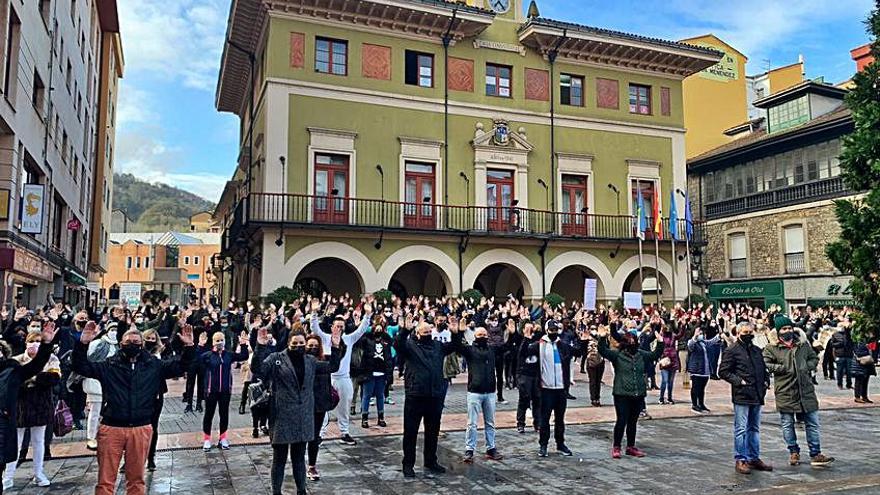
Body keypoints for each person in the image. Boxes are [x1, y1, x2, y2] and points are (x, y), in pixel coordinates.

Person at [74, 321, 194, 495]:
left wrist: (189, 346)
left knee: (137, 480)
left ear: (142, 345)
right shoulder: (110, 365)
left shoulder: (153, 365)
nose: (132, 346)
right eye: (128, 342)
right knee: (105, 481)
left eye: (136, 343)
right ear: (121, 344)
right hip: (112, 427)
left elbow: (181, 367)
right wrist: (83, 344)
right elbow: (81, 367)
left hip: (141, 427)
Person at [257, 328, 341, 495]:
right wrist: (260, 347)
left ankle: (301, 490)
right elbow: (259, 369)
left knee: (299, 458)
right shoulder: (277, 358)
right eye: (295, 343)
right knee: (279, 458)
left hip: (303, 416)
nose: (299, 346)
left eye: (301, 343)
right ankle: (276, 492)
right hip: (282, 416)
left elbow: (332, 366)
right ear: (289, 343)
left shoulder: (310, 360)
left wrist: (336, 347)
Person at [763, 315, 835, 467]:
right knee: (787, 424)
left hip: (806, 390)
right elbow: (767, 363)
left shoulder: (802, 344)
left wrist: (806, 366)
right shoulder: (771, 348)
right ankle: (793, 451)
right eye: (784, 328)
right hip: (785, 390)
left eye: (789, 328)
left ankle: (816, 453)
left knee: (813, 423)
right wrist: (783, 368)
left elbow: (814, 358)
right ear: (778, 331)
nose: (787, 330)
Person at [394, 317, 461, 478]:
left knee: (433, 431)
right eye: (425, 332)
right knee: (411, 432)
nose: (428, 334)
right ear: (417, 333)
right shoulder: (410, 345)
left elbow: (454, 346)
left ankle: (430, 461)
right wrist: (404, 330)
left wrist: (455, 332)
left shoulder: (437, 346)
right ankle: (408, 464)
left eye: (430, 331)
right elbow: (397, 345)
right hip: (415, 395)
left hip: (435, 395)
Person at [0, 321, 55, 495]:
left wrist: (46, 345)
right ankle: (8, 477)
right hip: (18, 412)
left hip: (7, 421)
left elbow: (36, 366)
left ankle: (33, 474)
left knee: (34, 442)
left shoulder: (11, 369)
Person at [310, 299, 371, 446]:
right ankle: (320, 435)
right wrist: (314, 312)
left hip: (344, 378)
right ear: (332, 327)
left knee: (344, 407)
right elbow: (315, 328)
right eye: (337, 326)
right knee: (323, 408)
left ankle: (344, 432)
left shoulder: (348, 339)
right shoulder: (325, 338)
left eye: (342, 326)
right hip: (327, 378)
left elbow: (361, 329)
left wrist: (367, 315)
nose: (339, 329)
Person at [598, 324, 664, 458]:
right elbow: (603, 350)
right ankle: (616, 447)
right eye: (630, 344)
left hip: (638, 393)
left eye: (634, 343)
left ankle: (631, 446)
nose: (633, 346)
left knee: (633, 421)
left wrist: (660, 342)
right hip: (621, 394)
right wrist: (602, 337)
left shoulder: (641, 355)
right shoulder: (617, 355)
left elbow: (655, 354)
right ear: (625, 345)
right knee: (621, 420)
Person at [718, 321, 773, 475]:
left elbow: (763, 368)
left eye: (750, 332)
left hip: (757, 393)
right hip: (742, 394)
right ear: (738, 333)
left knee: (754, 428)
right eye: (745, 332)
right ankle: (741, 458)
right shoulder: (732, 350)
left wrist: (766, 380)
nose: (749, 335)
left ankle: (753, 457)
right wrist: (738, 381)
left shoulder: (756, 350)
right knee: (741, 429)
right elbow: (723, 371)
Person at [524, 320, 578, 458]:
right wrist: (525, 338)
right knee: (545, 419)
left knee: (560, 419)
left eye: (556, 330)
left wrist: (582, 340)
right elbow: (523, 353)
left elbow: (577, 351)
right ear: (547, 330)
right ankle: (543, 445)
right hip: (546, 388)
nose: (554, 332)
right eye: (551, 330)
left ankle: (560, 444)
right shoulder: (539, 345)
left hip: (560, 389)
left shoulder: (562, 345)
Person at [452, 320, 503, 463]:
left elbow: (506, 347)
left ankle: (491, 448)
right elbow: (457, 346)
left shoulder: (492, 349)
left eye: (484, 334)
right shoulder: (469, 350)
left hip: (490, 391)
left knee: (490, 422)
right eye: (480, 335)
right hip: (475, 391)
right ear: (475, 336)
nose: (482, 337)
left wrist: (513, 333)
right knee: (472, 423)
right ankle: (469, 449)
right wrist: (459, 332)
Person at [197, 330, 249, 451]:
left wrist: (243, 344)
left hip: (225, 390)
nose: (219, 343)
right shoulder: (208, 355)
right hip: (211, 391)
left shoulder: (228, 355)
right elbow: (197, 360)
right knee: (208, 415)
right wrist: (200, 346)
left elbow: (243, 356)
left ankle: (223, 438)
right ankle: (207, 439)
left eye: (221, 340)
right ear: (213, 342)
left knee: (224, 414)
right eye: (217, 340)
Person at [305, 332, 336, 481]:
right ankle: (299, 464)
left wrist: (336, 347)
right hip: (303, 405)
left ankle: (312, 465)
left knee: (314, 436)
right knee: (301, 436)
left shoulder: (324, 362)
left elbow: (334, 366)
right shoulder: (301, 362)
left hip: (319, 405)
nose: (313, 348)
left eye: (316, 346)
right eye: (310, 345)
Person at [84, 321, 119, 451]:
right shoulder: (97, 343)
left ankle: (106, 437)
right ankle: (91, 437)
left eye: (116, 329)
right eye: (112, 329)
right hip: (96, 384)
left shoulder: (120, 346)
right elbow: (89, 360)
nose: (114, 332)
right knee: (95, 412)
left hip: (113, 384)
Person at [359, 315, 393, 428]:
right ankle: (364, 418)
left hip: (382, 374)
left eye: (380, 329)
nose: (378, 330)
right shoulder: (367, 340)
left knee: (380, 396)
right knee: (366, 396)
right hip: (369, 373)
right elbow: (361, 338)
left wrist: (389, 375)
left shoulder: (386, 342)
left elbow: (389, 355)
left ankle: (381, 417)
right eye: (376, 328)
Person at [142, 329, 165, 471]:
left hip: (156, 394)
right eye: (147, 338)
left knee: (153, 427)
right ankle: (133, 457)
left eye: (153, 338)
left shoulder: (159, 354)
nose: (150, 340)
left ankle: (151, 457)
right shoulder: (138, 354)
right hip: (141, 394)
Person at [686, 327, 721, 413]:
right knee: (695, 388)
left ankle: (701, 404)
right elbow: (690, 345)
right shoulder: (692, 342)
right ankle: (694, 405)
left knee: (702, 388)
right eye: (699, 333)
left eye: (701, 333)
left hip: (705, 370)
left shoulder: (703, 343)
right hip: (696, 370)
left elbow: (711, 342)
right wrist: (695, 336)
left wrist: (719, 336)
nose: (701, 335)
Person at [515, 321, 541, 433]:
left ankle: (538, 423)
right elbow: (522, 352)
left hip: (535, 374)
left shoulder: (537, 340)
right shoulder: (520, 339)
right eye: (527, 328)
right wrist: (526, 337)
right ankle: (521, 423)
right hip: (524, 374)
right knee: (524, 399)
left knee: (537, 399)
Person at [852, 332, 876, 403]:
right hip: (860, 362)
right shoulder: (858, 340)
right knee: (859, 380)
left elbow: (873, 349)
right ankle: (857, 397)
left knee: (866, 380)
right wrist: (867, 349)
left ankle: (864, 396)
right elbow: (858, 352)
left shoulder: (868, 340)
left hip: (867, 362)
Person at [830, 322, 854, 390]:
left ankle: (849, 384)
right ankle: (839, 384)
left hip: (848, 355)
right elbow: (832, 345)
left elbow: (851, 343)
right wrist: (840, 344)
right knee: (839, 371)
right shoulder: (835, 334)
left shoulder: (849, 334)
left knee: (849, 371)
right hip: (839, 355)